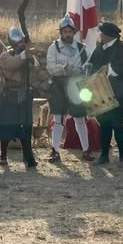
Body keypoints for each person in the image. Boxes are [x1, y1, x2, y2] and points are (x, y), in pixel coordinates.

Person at [89, 21, 123, 167]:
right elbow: (93, 64)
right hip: (100, 93)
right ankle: (104, 155)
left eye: (102, 33)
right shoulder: (99, 49)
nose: (100, 35)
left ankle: (122, 156)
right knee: (104, 125)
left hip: (118, 93)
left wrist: (110, 69)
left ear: (108, 35)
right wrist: (88, 66)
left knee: (117, 125)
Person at [45, 17, 92, 163]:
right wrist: (64, 68)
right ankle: (55, 151)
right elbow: (50, 67)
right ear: (61, 32)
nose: (67, 34)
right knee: (58, 118)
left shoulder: (81, 48)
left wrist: (83, 69)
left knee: (79, 118)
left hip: (76, 86)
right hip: (59, 85)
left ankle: (86, 150)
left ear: (74, 32)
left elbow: (88, 65)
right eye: (64, 31)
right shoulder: (54, 47)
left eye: (69, 31)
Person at [0, 27, 38, 169]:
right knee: (6, 126)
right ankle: (3, 156)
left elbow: (37, 67)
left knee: (26, 125)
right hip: (9, 95)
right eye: (18, 42)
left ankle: (27, 155)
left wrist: (31, 58)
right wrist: (24, 55)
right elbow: (12, 65)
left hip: (24, 94)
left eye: (22, 41)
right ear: (13, 44)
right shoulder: (5, 56)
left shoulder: (26, 55)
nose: (21, 44)